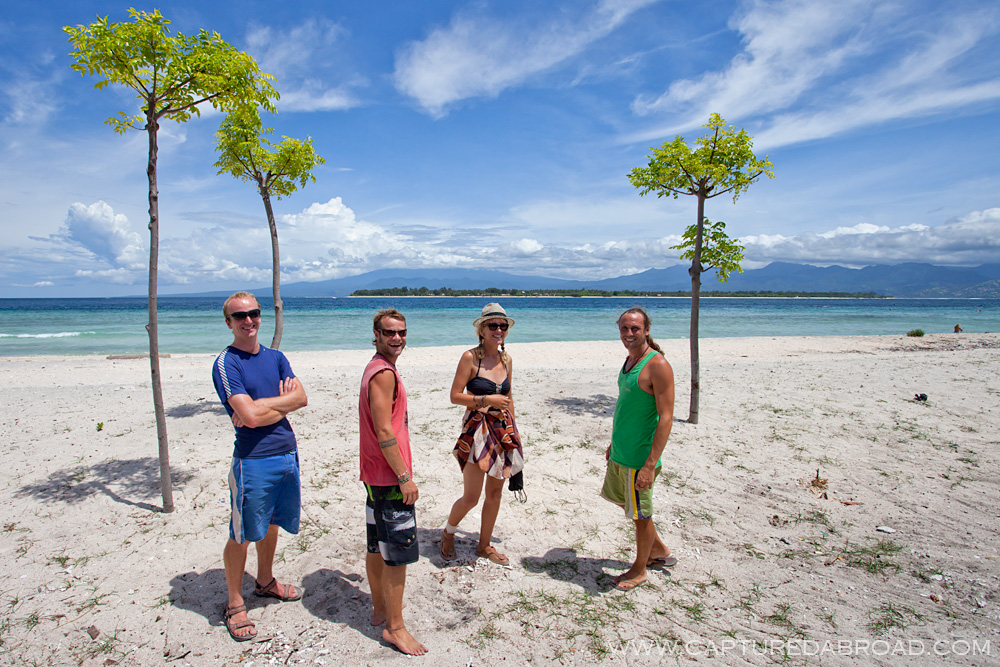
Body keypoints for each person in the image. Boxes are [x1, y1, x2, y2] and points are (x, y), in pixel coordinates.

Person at [212, 291, 308, 642]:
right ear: (228, 322)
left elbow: (301, 398)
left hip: (287, 453)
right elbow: (249, 419)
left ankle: (265, 581)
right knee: (241, 533)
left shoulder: (276, 357)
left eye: (253, 313)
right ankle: (235, 603)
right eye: (240, 316)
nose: (248, 320)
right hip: (252, 460)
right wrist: (277, 404)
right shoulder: (226, 363)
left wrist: (261, 406)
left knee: (272, 524)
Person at [358, 309, 427, 656]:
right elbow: (385, 430)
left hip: (374, 474)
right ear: (376, 334)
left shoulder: (376, 367)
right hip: (388, 477)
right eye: (389, 333)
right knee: (397, 554)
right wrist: (404, 478)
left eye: (401, 332)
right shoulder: (383, 373)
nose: (397, 338)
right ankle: (395, 628)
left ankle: (379, 609)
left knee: (376, 545)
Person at [441, 303, 523, 566]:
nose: (498, 329)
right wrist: (485, 399)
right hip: (476, 432)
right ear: (482, 330)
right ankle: (448, 533)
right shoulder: (470, 358)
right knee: (471, 497)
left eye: (503, 325)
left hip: (501, 432)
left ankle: (484, 545)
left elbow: (509, 398)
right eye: (492, 325)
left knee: (495, 494)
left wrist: (514, 433)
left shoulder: (507, 360)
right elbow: (455, 396)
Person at [600, 306, 676, 590]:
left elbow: (666, 418)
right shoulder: (630, 360)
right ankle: (659, 550)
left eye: (635, 328)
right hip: (622, 451)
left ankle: (640, 569)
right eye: (624, 328)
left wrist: (649, 464)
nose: (629, 333)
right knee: (624, 503)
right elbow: (628, 407)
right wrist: (614, 443)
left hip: (640, 457)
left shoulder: (658, 365)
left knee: (641, 516)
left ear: (646, 330)